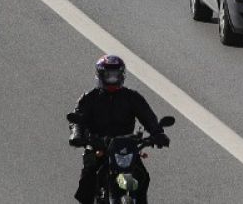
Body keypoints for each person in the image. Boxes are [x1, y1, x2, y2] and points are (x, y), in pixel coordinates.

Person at [69, 55, 168, 204]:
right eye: (109, 75)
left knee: (143, 177)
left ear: (122, 75)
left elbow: (148, 117)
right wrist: (77, 135)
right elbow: (78, 119)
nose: (112, 79)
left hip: (126, 147)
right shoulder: (89, 99)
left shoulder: (132, 97)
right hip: (99, 145)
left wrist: (158, 133)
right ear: (101, 75)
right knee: (87, 180)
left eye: (116, 75)